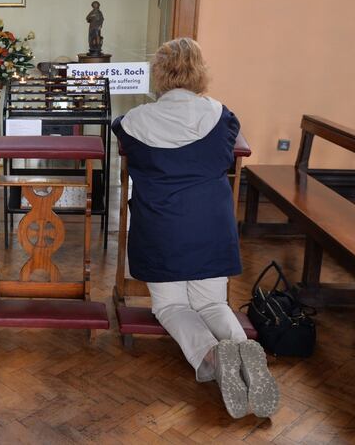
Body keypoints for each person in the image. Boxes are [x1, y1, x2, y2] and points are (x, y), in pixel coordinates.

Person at [112, 38, 279, 419]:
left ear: (159, 73)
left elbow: (118, 127)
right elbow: (226, 150)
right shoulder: (222, 116)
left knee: (171, 306)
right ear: (200, 72)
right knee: (212, 303)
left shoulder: (135, 123)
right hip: (211, 223)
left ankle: (214, 357)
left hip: (162, 226)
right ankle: (242, 348)